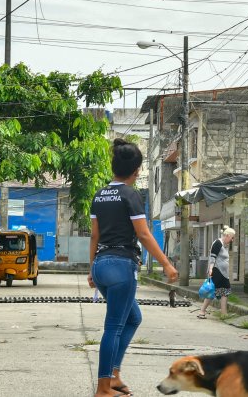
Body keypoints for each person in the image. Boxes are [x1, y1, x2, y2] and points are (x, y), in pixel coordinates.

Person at [87, 139, 178, 397]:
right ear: (136, 171)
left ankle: (114, 375)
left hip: (101, 265)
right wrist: (167, 264)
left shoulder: (99, 195)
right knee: (114, 327)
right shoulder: (131, 195)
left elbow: (94, 236)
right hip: (121, 266)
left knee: (133, 318)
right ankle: (103, 388)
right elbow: (144, 235)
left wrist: (91, 269)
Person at [196, 226, 236, 319]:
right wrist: (210, 269)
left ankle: (224, 313)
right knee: (212, 291)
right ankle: (202, 312)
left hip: (223, 273)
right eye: (232, 237)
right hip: (217, 271)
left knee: (225, 291)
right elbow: (212, 257)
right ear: (227, 235)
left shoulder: (224, 245)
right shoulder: (218, 243)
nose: (232, 240)